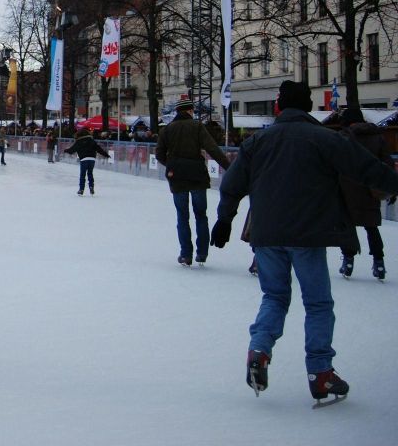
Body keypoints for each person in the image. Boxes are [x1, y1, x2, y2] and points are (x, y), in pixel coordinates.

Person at [211, 81, 398, 404]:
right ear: (308, 107)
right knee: (318, 303)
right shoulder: (326, 138)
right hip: (308, 234)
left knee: (274, 296)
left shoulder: (258, 141)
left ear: (278, 108)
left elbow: (232, 183)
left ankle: (259, 351)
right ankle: (320, 372)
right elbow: (366, 168)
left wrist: (225, 219)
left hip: (267, 233)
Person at [155, 98, 230, 266]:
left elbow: (159, 154)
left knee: (182, 216)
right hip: (197, 175)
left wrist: (172, 164)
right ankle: (202, 254)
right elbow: (212, 149)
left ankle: (186, 254)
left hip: (177, 177)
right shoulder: (197, 127)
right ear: (189, 111)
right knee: (201, 215)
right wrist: (229, 167)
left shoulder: (167, 130)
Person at [335, 107, 393, 280]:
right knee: (371, 227)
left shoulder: (344, 138)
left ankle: (348, 260)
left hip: (347, 189)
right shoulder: (378, 137)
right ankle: (379, 262)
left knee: (347, 227)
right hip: (370, 189)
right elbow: (387, 163)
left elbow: (335, 163)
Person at [63, 127, 110, 195]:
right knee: (90, 173)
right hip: (92, 159)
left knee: (82, 175)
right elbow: (99, 149)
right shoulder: (92, 140)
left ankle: (81, 189)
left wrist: (66, 150)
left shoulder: (78, 141)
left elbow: (72, 150)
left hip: (84, 159)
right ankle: (91, 187)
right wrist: (106, 155)